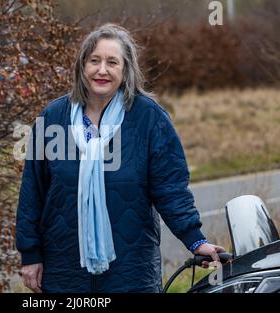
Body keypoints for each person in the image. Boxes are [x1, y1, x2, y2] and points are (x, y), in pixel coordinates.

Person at [15, 23, 225, 293]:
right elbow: (32, 192)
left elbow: (171, 189)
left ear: (126, 71)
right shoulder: (52, 118)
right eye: (94, 61)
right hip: (64, 272)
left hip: (131, 273)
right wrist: (30, 254)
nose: (102, 70)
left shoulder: (149, 118)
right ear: (82, 67)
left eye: (112, 62)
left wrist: (196, 241)